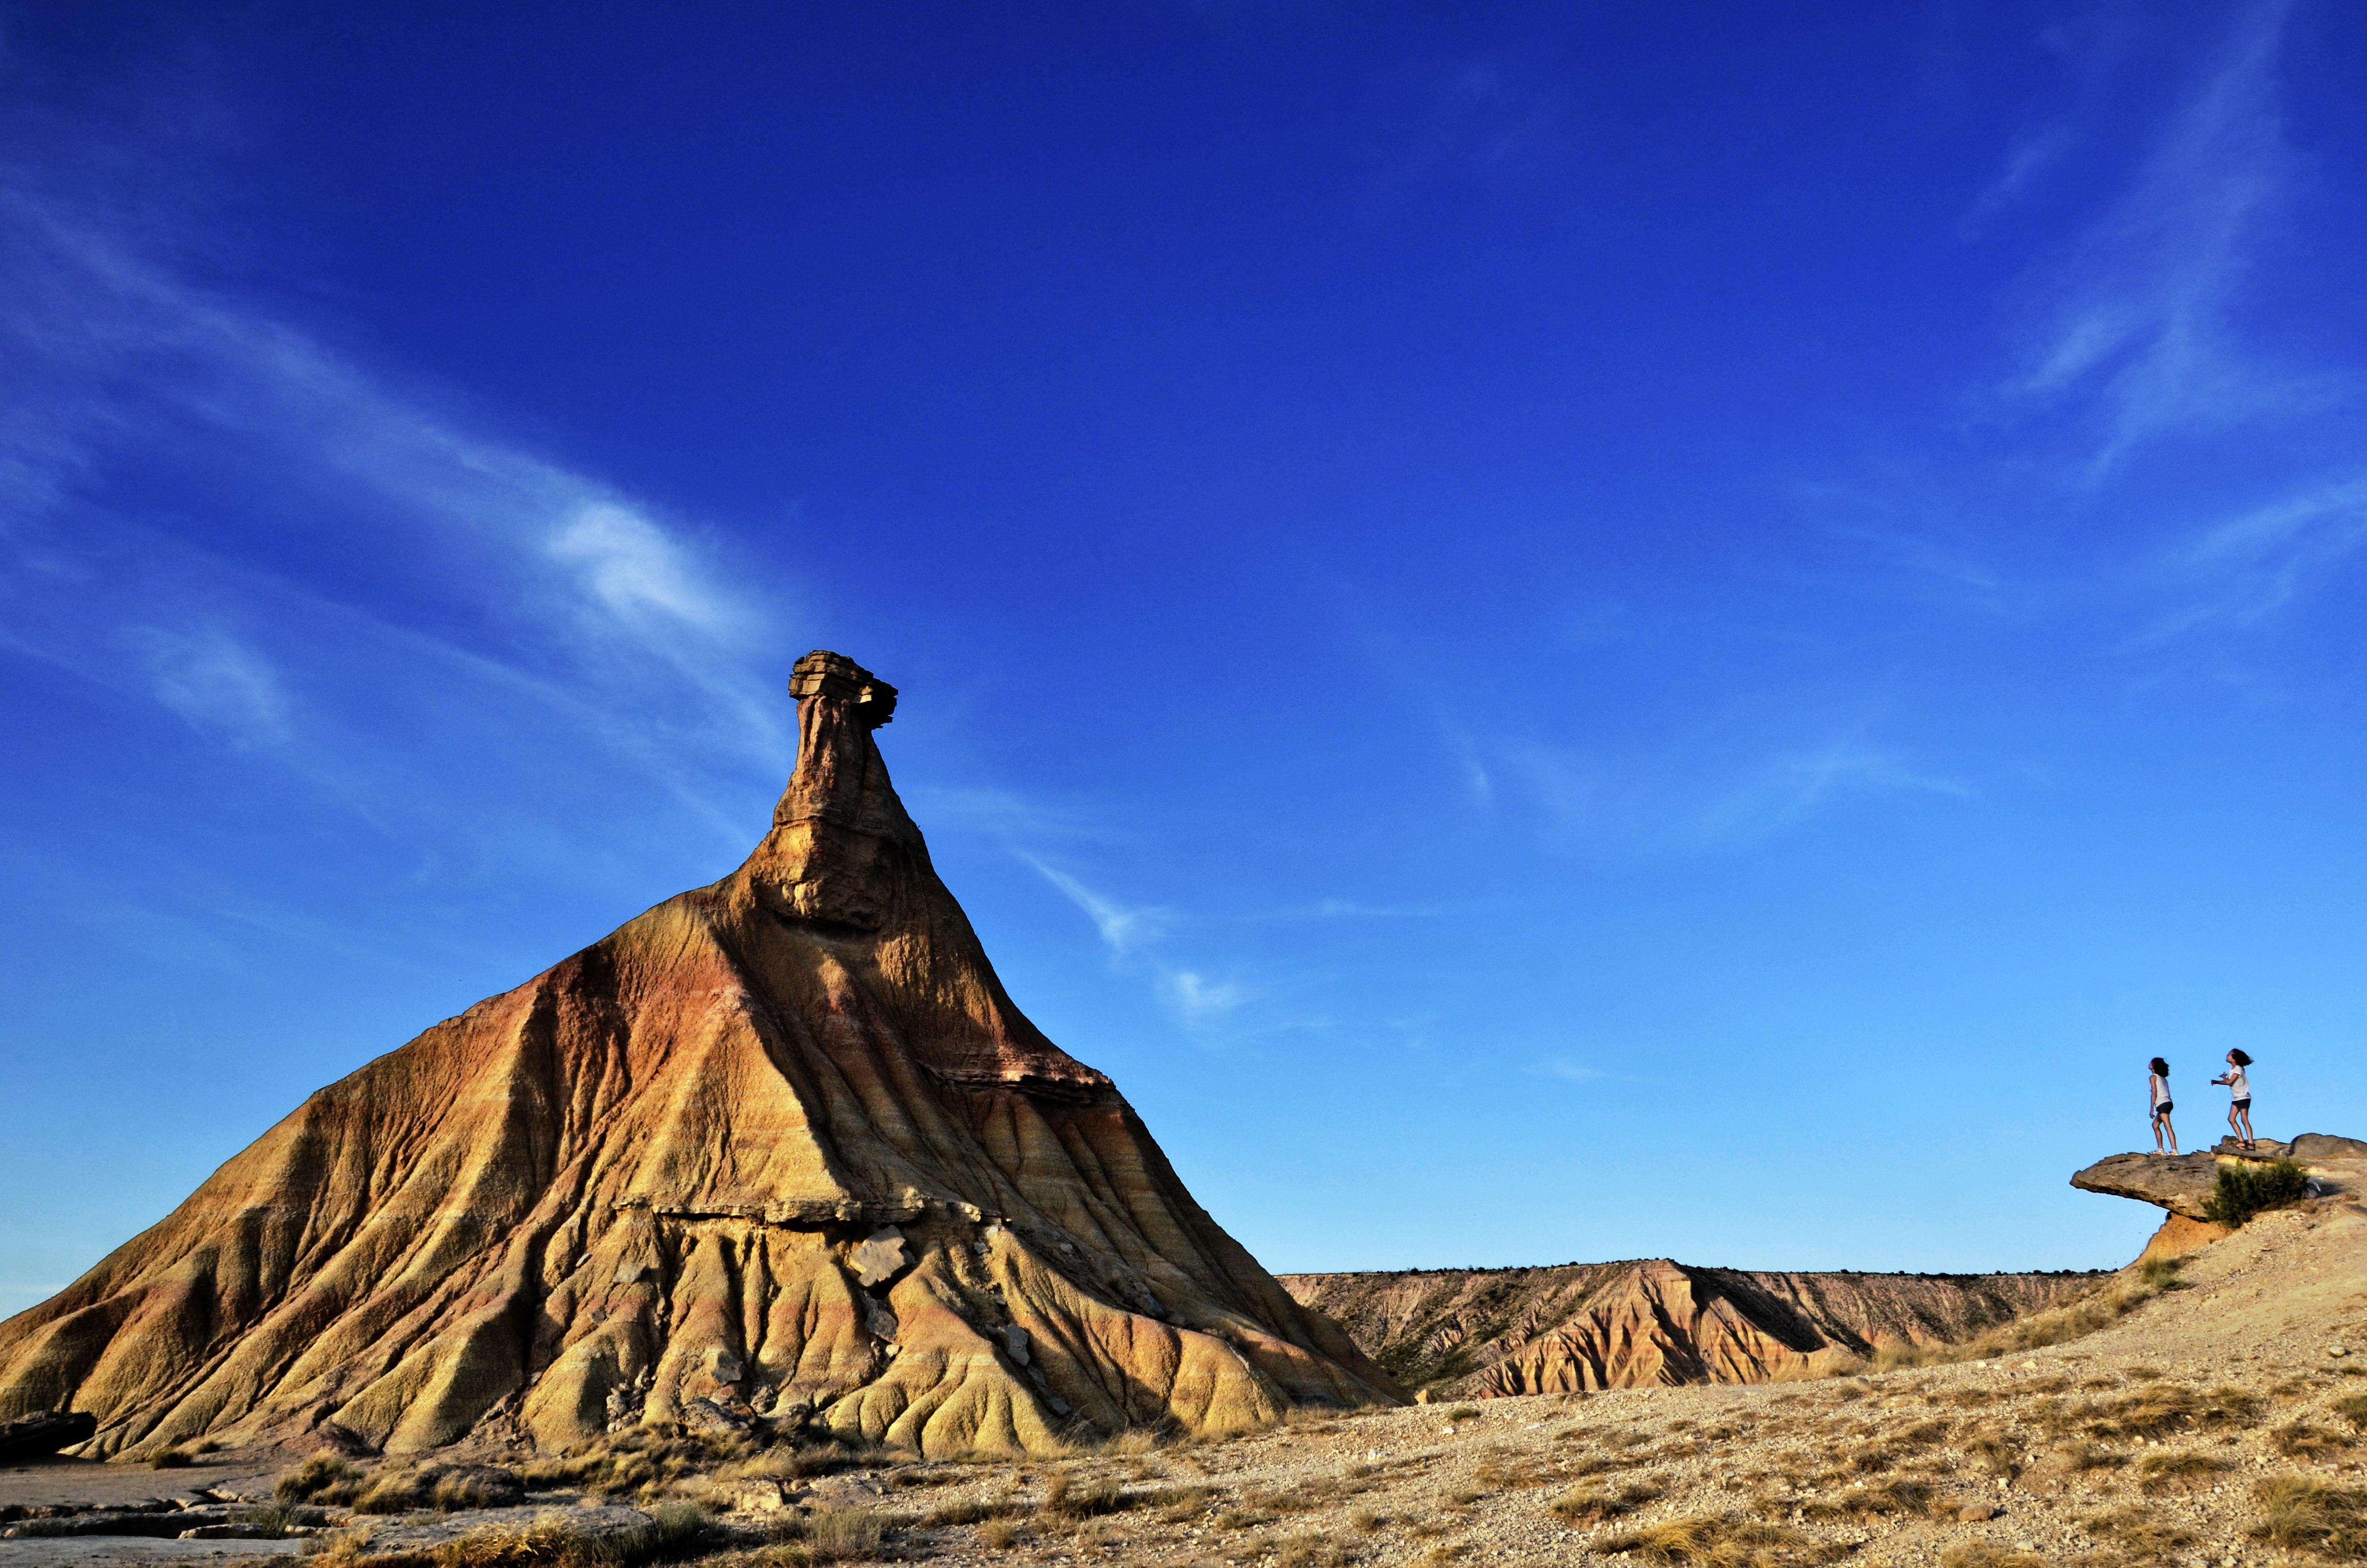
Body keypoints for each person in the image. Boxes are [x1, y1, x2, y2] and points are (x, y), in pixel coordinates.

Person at [2211, 1050, 2255, 1151]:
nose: (2227, 1056)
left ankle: (2251, 1143)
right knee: (2231, 1119)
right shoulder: (2233, 1069)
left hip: (2243, 1097)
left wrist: (2221, 1080)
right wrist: (2219, 1081)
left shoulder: (2238, 1069)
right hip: (2236, 1098)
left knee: (2244, 1119)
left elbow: (2230, 1082)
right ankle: (2242, 1141)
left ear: (2234, 1059)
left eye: (2230, 1055)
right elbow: (2229, 1082)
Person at [2148, 1057, 2177, 1155]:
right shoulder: (2163, 1079)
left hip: (2163, 1103)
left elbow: (2155, 1093)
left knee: (2167, 1126)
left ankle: (2174, 1150)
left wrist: (2152, 1109)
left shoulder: (2153, 1078)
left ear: (2154, 1066)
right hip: (2167, 1103)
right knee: (2155, 1125)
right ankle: (2160, 1149)